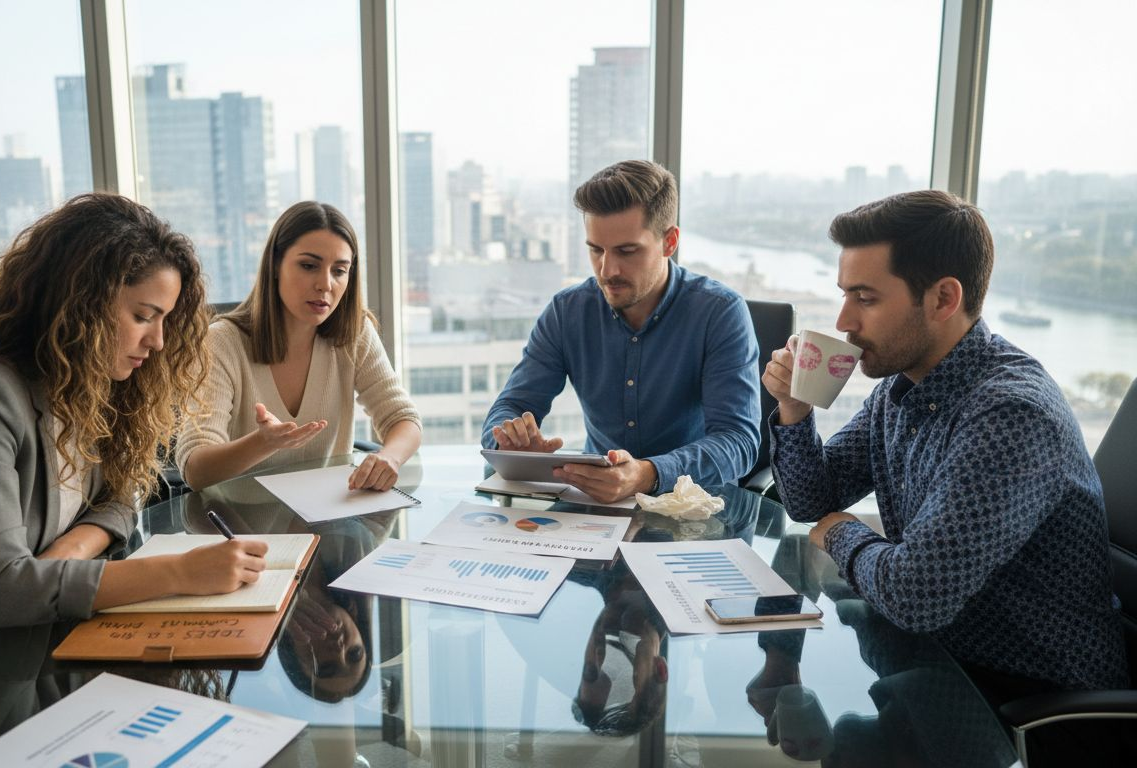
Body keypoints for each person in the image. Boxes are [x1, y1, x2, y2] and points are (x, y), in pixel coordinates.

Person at [762, 190, 1130, 762]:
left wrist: (841, 533)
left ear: (943, 298)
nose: (844, 321)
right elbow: (811, 498)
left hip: (1028, 705)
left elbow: (916, 595)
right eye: (844, 295)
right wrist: (795, 408)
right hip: (939, 661)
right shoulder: (900, 387)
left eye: (865, 297)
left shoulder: (1011, 414)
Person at [0, 194, 270, 678]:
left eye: (164, 320)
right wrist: (179, 573)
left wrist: (70, 552)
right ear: (81, 303)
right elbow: (0, 591)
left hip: (27, 654)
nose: (159, 341)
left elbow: (122, 496)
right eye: (143, 316)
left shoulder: (82, 382)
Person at [482, 160, 760, 503]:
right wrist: (512, 444)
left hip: (695, 512)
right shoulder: (567, 311)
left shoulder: (720, 313)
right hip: (596, 512)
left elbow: (738, 441)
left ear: (669, 241)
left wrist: (646, 474)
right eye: (595, 249)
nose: (607, 270)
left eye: (627, 251)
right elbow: (511, 405)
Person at [176, 201, 421, 491]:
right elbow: (196, 469)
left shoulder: (354, 334)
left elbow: (403, 418)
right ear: (276, 265)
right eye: (309, 266)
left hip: (331, 522)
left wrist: (388, 458)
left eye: (339, 271)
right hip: (243, 526)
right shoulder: (221, 342)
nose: (325, 285)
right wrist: (263, 442)